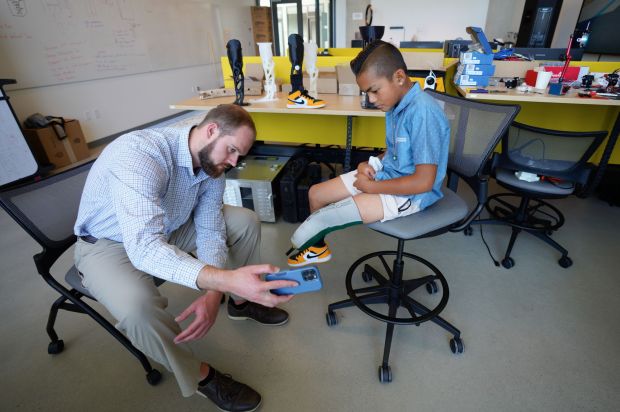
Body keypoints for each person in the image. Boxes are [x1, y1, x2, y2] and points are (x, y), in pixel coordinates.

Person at [74, 104, 297, 412]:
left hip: (171, 225)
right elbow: (144, 248)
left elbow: (209, 229)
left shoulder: (212, 165)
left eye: (239, 156)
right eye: (232, 150)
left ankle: (240, 302)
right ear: (211, 130)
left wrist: (213, 291)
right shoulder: (140, 154)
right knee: (137, 309)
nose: (233, 162)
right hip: (110, 244)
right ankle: (202, 377)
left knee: (243, 221)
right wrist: (222, 278)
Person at [287, 40, 450, 266]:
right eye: (366, 93)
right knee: (316, 194)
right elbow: (397, 151)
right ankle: (317, 249)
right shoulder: (395, 103)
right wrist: (372, 163)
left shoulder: (423, 113)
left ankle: (305, 250)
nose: (371, 100)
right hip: (387, 176)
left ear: (399, 77)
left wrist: (373, 188)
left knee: (319, 222)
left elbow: (423, 182)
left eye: (374, 91)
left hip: (411, 195)